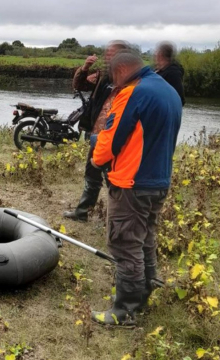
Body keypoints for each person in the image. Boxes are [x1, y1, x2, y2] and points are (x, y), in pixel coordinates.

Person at [89, 50, 182, 326]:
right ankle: (147, 286)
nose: (115, 87)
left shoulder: (132, 92)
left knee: (124, 242)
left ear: (120, 72)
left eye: (114, 81)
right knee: (145, 237)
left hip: (131, 182)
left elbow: (110, 141)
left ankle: (125, 311)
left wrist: (95, 151)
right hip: (159, 180)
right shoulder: (169, 91)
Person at [63, 40, 131, 222]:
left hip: (115, 138)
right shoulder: (104, 76)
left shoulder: (131, 80)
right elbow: (79, 85)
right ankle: (82, 212)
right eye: (107, 52)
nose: (107, 56)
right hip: (97, 136)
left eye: (112, 53)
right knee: (91, 174)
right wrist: (85, 67)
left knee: (113, 178)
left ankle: (119, 218)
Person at [154, 41, 186, 106]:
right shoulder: (157, 71)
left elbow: (179, 98)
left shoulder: (173, 73)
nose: (155, 57)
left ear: (161, 55)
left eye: (156, 54)